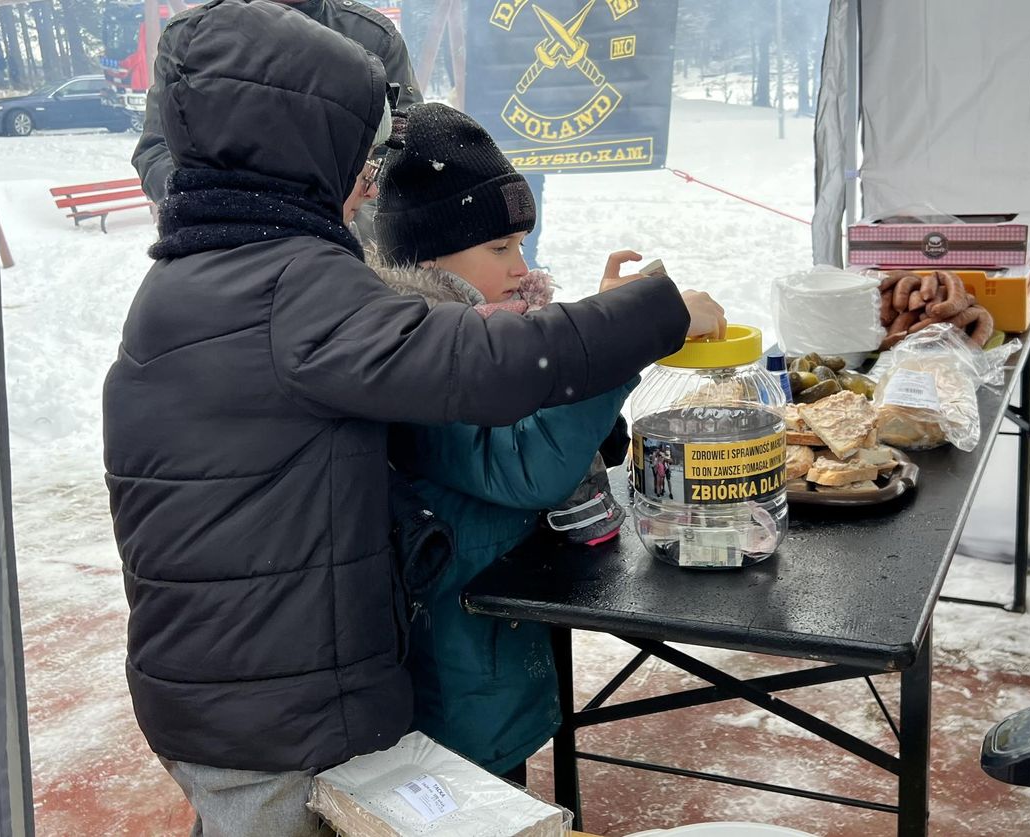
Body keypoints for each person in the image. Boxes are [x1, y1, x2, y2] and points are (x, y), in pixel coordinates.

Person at [101, 2, 727, 835]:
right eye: (358, 153)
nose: (369, 182)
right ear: (297, 149)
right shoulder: (297, 286)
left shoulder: (192, 278)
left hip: (218, 683)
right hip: (275, 701)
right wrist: (652, 315)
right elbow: (485, 370)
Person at [369, 103, 682, 781]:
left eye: (521, 244)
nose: (520, 264)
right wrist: (615, 345)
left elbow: (584, 442)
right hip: (451, 665)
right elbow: (529, 464)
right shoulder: (427, 354)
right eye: (499, 248)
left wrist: (591, 336)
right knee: (470, 801)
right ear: (428, 254)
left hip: (494, 636)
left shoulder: (494, 330)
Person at [131, 0, 421, 205]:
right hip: (228, 254)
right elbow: (156, 151)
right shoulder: (190, 37)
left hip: (353, 253)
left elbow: (407, 153)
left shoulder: (374, 38)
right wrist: (220, 211)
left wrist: (346, 219)